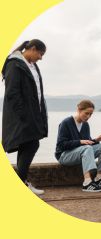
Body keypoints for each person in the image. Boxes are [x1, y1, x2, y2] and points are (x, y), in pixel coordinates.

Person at [1, 39, 48, 195]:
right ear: (33, 49)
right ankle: (21, 183)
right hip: (21, 116)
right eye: (41, 54)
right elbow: (12, 94)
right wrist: (23, 115)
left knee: (28, 145)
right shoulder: (15, 64)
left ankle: (21, 182)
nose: (41, 58)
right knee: (31, 144)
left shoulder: (32, 65)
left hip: (33, 114)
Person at [55, 100, 101, 192]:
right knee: (87, 148)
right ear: (79, 110)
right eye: (86, 113)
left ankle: (99, 178)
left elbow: (86, 143)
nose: (88, 116)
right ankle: (87, 183)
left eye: (91, 114)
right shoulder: (66, 123)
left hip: (81, 152)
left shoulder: (85, 125)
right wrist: (80, 142)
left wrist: (96, 140)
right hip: (64, 156)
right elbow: (61, 145)